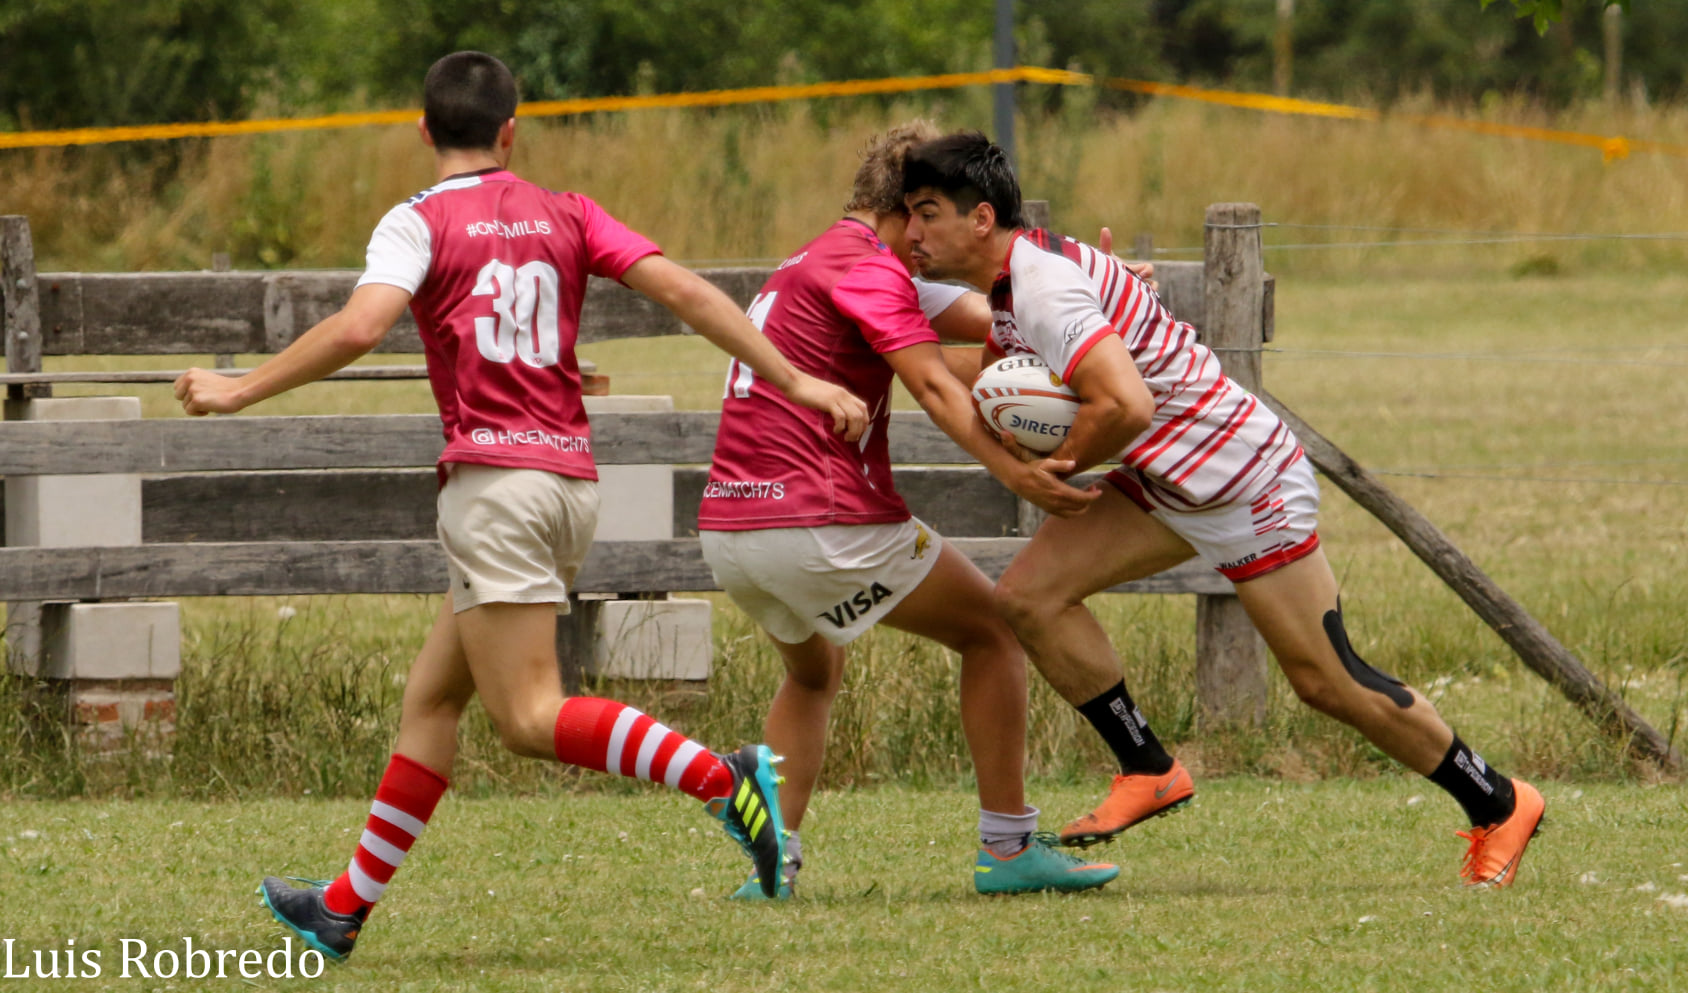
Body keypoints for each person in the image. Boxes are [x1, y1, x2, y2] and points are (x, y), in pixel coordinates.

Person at [173, 51, 871, 959]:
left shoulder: (416, 221)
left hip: (493, 492)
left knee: (530, 719)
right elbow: (690, 293)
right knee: (432, 700)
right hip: (568, 487)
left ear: (423, 130)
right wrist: (798, 379)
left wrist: (239, 387)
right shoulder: (568, 212)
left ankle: (723, 777)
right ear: (512, 128)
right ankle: (341, 908)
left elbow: (358, 325)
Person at [899, 130, 1545, 887]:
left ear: (980, 219)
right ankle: (1148, 766)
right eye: (907, 215)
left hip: (1244, 478)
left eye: (927, 213)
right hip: (1172, 478)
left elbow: (1126, 402)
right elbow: (994, 354)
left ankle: (1499, 800)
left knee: (1325, 679)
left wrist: (1057, 465)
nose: (913, 233)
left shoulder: (1042, 285)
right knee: (1030, 597)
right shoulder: (1017, 277)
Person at [697, 122, 1119, 898]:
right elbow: (930, 383)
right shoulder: (869, 269)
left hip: (731, 531)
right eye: (926, 214)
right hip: (818, 522)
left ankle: (770, 862)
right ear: (907, 207)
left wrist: (1110, 290)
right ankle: (1009, 848)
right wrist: (1017, 476)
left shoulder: (811, 262)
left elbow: (999, 333)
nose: (932, 234)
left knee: (815, 672)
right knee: (994, 629)